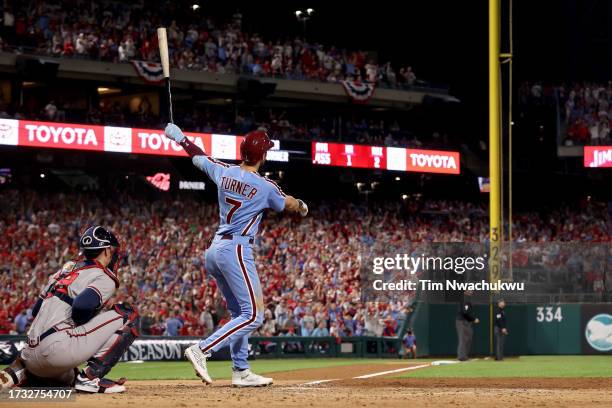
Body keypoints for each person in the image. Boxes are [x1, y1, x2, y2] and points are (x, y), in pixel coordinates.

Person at [164, 124, 308, 387]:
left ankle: (241, 370)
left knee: (239, 312)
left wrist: (181, 138)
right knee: (254, 315)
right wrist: (301, 206)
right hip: (237, 249)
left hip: (215, 248)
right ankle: (202, 349)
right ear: (262, 156)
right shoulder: (265, 186)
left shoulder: (224, 171)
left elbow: (197, 157)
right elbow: (287, 203)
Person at [0, 226, 139, 394]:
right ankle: (90, 378)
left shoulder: (62, 273)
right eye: (112, 249)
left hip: (29, 355)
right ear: (106, 250)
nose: (115, 253)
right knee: (128, 314)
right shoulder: (103, 276)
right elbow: (82, 306)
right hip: (56, 351)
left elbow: (35, 311)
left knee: (68, 377)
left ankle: (24, 375)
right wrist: (90, 320)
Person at [456, 289, 479, 361]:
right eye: (469, 290)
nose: (471, 292)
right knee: (463, 339)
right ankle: (462, 356)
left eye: (471, 290)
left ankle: (465, 356)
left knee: (468, 339)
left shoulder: (468, 299)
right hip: (462, 321)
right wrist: (473, 319)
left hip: (466, 322)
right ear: (465, 291)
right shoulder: (465, 299)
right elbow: (464, 313)